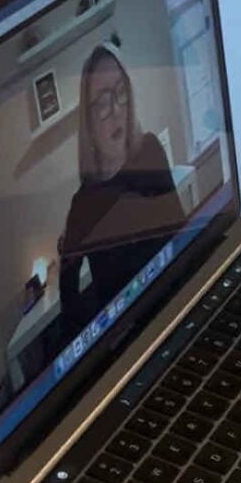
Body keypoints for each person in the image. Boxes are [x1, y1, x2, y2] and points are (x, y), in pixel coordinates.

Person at [59, 43, 180, 334]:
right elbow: (70, 310)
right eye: (102, 102)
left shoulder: (150, 151)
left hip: (177, 301)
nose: (116, 110)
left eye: (121, 92)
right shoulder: (83, 205)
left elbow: (181, 234)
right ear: (89, 121)